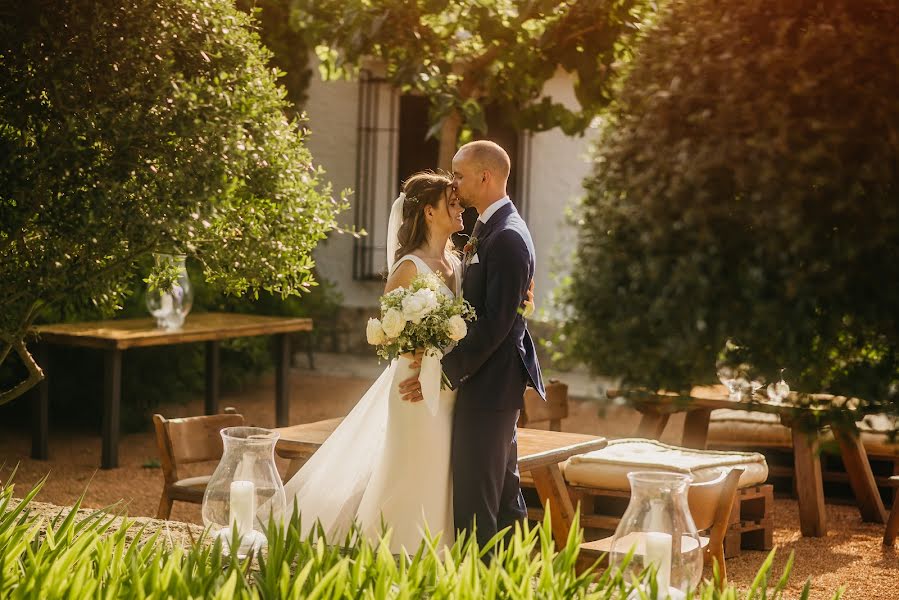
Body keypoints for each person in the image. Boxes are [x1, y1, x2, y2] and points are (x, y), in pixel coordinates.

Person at [281, 171, 463, 554]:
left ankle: (436, 553)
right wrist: (417, 346)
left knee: (441, 472)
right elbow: (388, 328)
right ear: (429, 212)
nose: (459, 206)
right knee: (411, 467)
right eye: (451, 200)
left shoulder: (458, 262)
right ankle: (394, 549)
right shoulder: (408, 267)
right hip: (413, 384)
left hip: (449, 387)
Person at [401, 140, 545, 551]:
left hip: (490, 385)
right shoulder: (489, 228)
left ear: (485, 176)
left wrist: (446, 372)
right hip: (489, 384)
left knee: (477, 498)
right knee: (499, 491)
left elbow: (498, 323)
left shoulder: (508, 237)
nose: (454, 181)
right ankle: (507, 579)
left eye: (459, 174)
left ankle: (479, 582)